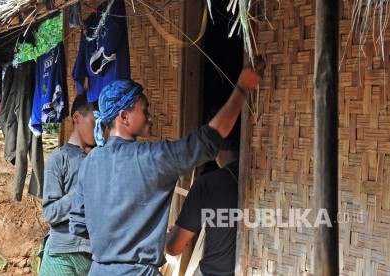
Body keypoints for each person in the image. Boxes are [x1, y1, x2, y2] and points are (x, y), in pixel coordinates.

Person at [69, 57, 265, 276]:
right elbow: (208, 140)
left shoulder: (90, 163)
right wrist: (242, 89)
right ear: (124, 117)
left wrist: (115, 238)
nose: (150, 117)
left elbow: (77, 224)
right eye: (145, 110)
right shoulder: (151, 158)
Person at [165, 130, 240, 276]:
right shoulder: (262, 184)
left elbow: (173, 248)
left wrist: (166, 236)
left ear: (215, 146)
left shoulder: (209, 184)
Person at [39, 94, 96, 276]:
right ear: (77, 118)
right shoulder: (59, 160)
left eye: (103, 126)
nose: (100, 130)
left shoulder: (102, 160)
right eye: (95, 124)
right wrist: (81, 193)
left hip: (95, 255)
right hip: (62, 253)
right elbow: (51, 213)